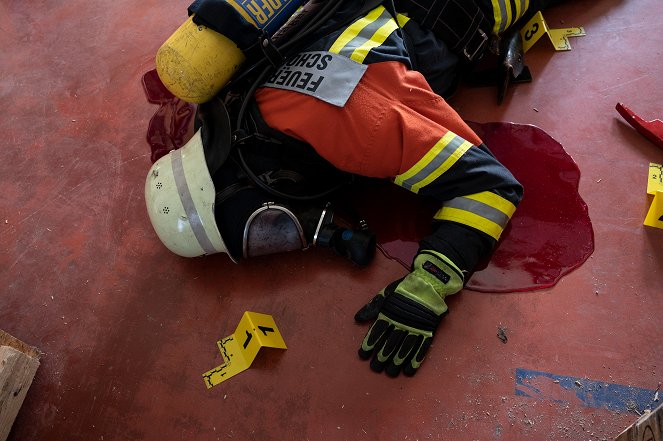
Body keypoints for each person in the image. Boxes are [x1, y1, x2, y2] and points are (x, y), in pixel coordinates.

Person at [146, 0, 557, 377]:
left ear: (248, 182)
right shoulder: (240, 106)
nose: (290, 234)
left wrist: (428, 284)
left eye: (266, 226)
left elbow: (490, 188)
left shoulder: (355, 125)